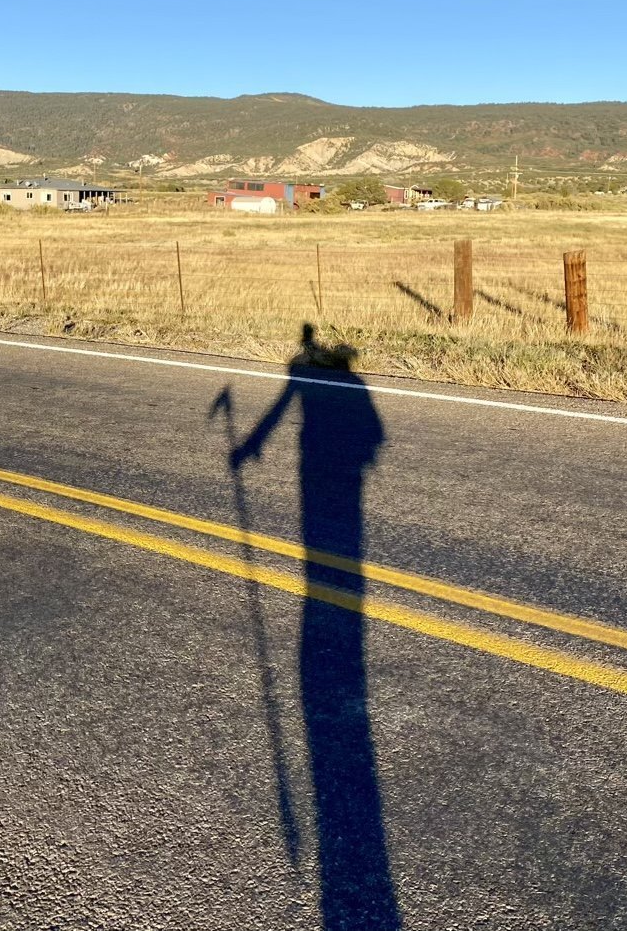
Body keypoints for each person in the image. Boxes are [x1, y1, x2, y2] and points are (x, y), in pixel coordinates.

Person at [232, 325, 400, 930]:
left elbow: (362, 429)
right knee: (328, 564)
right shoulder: (338, 383)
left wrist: (256, 441)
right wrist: (256, 441)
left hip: (325, 472)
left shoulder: (342, 384)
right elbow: (365, 431)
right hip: (324, 472)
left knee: (325, 572)